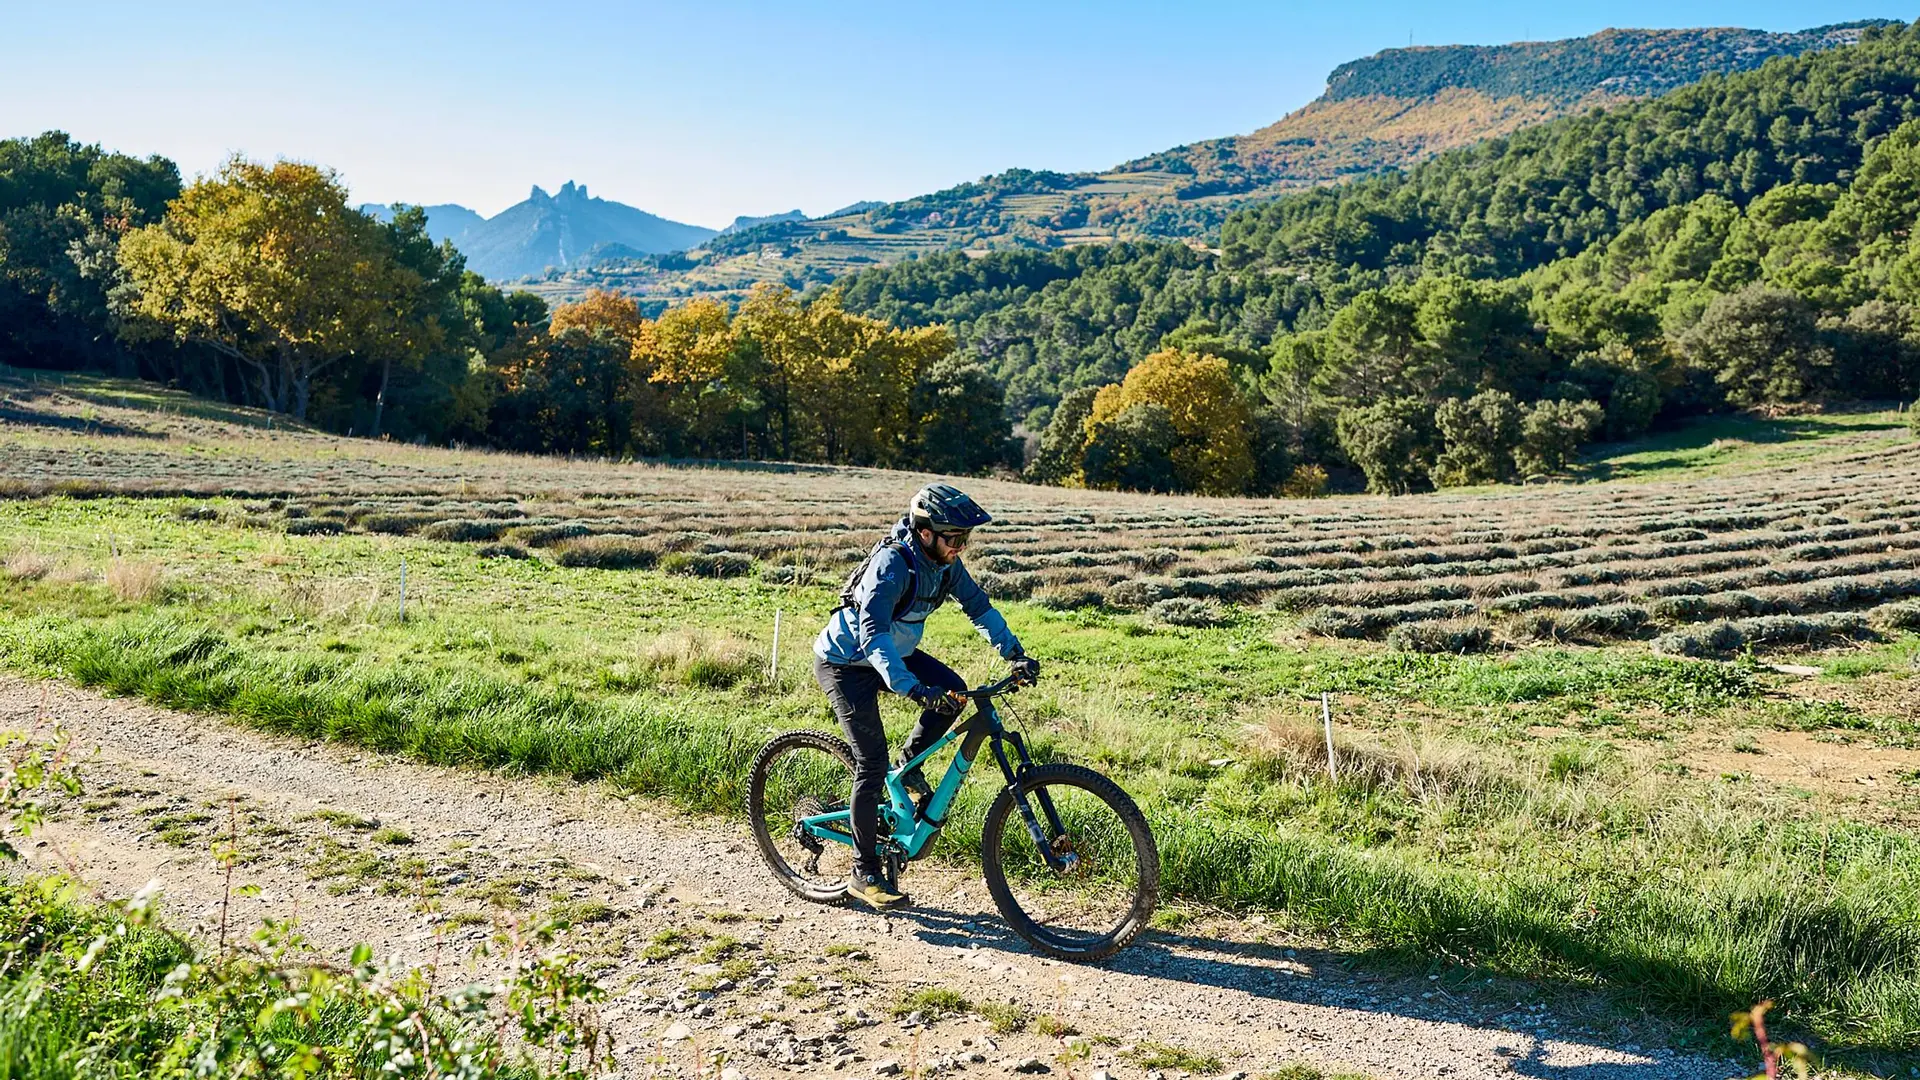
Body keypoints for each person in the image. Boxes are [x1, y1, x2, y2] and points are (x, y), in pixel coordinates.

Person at [813, 483, 1039, 908]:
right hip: (847, 662)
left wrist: (1015, 654)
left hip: (893, 654)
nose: (960, 547)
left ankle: (908, 768)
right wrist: (913, 688)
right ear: (924, 532)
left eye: (965, 538)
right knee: (871, 762)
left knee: (953, 692)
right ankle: (863, 872)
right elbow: (872, 634)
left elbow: (979, 608)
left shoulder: (945, 565)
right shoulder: (892, 565)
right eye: (954, 538)